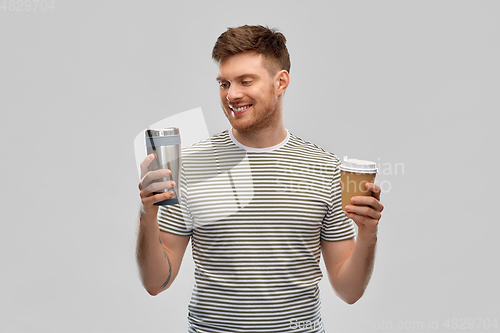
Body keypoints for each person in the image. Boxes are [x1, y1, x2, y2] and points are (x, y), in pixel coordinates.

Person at [136, 25, 384, 333]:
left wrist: (367, 234)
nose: (232, 94)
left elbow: (349, 292)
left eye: (245, 81)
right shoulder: (192, 165)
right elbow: (156, 283)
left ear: (280, 82)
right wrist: (148, 213)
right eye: (224, 83)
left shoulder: (326, 169)